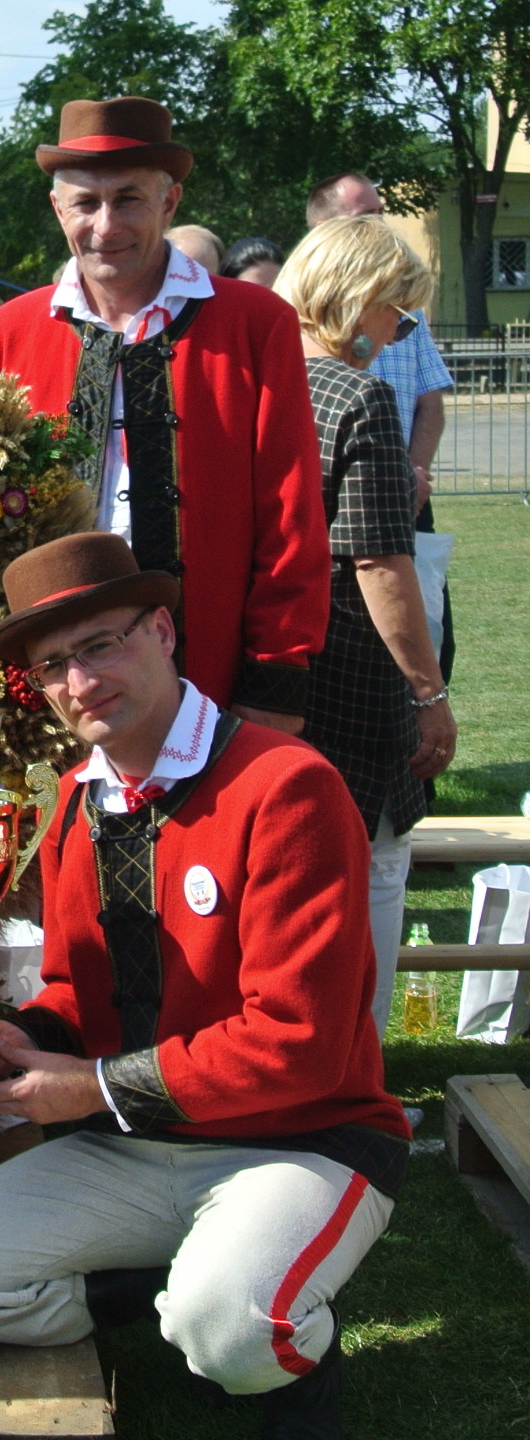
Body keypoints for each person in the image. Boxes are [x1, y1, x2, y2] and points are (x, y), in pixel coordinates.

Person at [0, 530, 410, 1440]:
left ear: (163, 631)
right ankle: (180, 1289)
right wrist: (14, 1038)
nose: (82, 683)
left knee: (233, 1332)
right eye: (54, 665)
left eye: (103, 644)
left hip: (303, 1141)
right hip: (133, 1143)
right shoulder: (71, 806)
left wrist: (85, 1087)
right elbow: (75, 994)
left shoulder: (287, 786)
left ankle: (259, 1342)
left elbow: (301, 1042)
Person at [0, 97, 329, 734]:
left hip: (218, 672)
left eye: (129, 199)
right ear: (59, 209)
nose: (106, 225)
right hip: (61, 690)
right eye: (86, 202)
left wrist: (274, 681)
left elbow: (292, 517)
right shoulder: (12, 330)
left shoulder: (255, 323)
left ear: (170, 204)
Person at [277, 215, 456, 1031]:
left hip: (261, 671)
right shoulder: (364, 396)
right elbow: (381, 564)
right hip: (352, 672)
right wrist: (429, 692)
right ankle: (361, 1081)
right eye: (399, 311)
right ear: (358, 299)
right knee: (376, 866)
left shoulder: (257, 383)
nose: (399, 332)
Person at [306, 174, 455, 512]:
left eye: (381, 214)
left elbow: (430, 404)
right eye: (366, 217)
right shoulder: (296, 309)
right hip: (332, 497)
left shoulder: (407, 306)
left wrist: (411, 478)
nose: (380, 227)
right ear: (323, 229)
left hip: (406, 491)